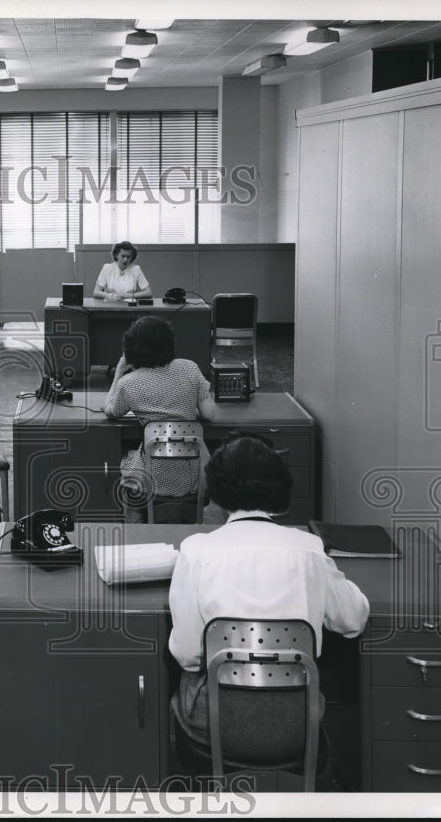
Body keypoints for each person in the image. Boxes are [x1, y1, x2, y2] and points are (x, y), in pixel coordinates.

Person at [167, 432, 370, 747]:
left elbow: (189, 656)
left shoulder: (196, 552)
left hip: (216, 721)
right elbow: (353, 620)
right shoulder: (309, 549)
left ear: (216, 493)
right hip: (297, 721)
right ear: (279, 489)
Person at [103, 316, 215, 522]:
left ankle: (136, 530)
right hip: (194, 476)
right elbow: (209, 414)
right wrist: (183, 410)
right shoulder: (189, 368)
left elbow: (110, 411)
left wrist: (119, 371)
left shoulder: (128, 383)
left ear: (131, 347)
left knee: (128, 471)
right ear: (169, 343)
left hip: (151, 479)